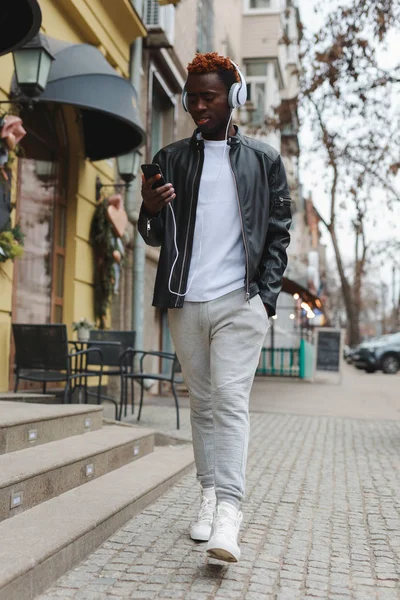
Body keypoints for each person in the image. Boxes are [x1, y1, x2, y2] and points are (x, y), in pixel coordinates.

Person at [139, 52, 291, 563]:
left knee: (228, 402)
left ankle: (229, 511)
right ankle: (207, 496)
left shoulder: (265, 160)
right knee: (201, 404)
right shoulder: (172, 156)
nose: (198, 106)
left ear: (236, 98)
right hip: (185, 300)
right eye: (192, 97)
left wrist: (264, 300)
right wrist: (149, 209)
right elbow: (155, 236)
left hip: (239, 302)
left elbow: (277, 234)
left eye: (210, 96)